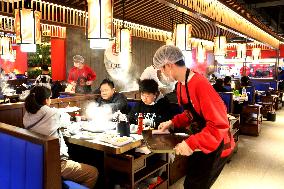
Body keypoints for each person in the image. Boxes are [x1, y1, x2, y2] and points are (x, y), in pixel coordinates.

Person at [153, 45, 235, 189]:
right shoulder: (180, 85)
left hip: (216, 142)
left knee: (195, 185)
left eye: (162, 68)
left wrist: (191, 143)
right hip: (201, 139)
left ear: (169, 65)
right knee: (191, 183)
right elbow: (191, 114)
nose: (162, 73)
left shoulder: (200, 84)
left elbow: (219, 124)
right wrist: (172, 122)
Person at [23, 86, 98, 188]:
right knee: (93, 172)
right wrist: (59, 112)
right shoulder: (51, 114)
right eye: (50, 98)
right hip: (55, 164)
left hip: (37, 161)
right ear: (46, 100)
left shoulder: (27, 115)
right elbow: (66, 120)